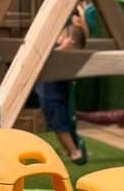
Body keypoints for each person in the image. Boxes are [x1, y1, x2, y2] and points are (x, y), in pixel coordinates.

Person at [34, 12, 87, 164]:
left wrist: (65, 46)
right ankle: (67, 149)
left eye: (63, 34)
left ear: (70, 42)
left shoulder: (64, 55)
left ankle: (74, 151)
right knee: (55, 126)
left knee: (60, 127)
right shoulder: (57, 50)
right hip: (45, 94)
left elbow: (54, 56)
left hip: (54, 96)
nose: (59, 36)